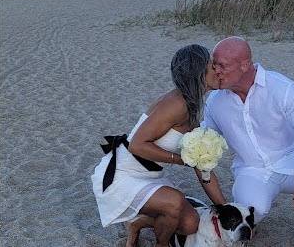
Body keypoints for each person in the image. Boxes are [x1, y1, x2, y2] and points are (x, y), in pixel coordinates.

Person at [201, 37, 294, 247]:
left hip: (293, 161)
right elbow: (207, 140)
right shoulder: (215, 102)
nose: (216, 71)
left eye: (222, 65)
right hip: (252, 169)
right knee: (251, 214)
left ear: (244, 65)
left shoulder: (280, 87)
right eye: (214, 65)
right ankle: (253, 220)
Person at [91, 44, 226, 247]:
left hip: (150, 176)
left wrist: (224, 208)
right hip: (123, 174)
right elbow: (136, 145)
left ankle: (138, 223)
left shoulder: (192, 106)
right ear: (198, 72)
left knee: (190, 224)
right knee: (175, 202)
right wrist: (180, 160)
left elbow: (202, 168)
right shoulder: (176, 104)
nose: (217, 70)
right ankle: (161, 244)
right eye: (211, 65)